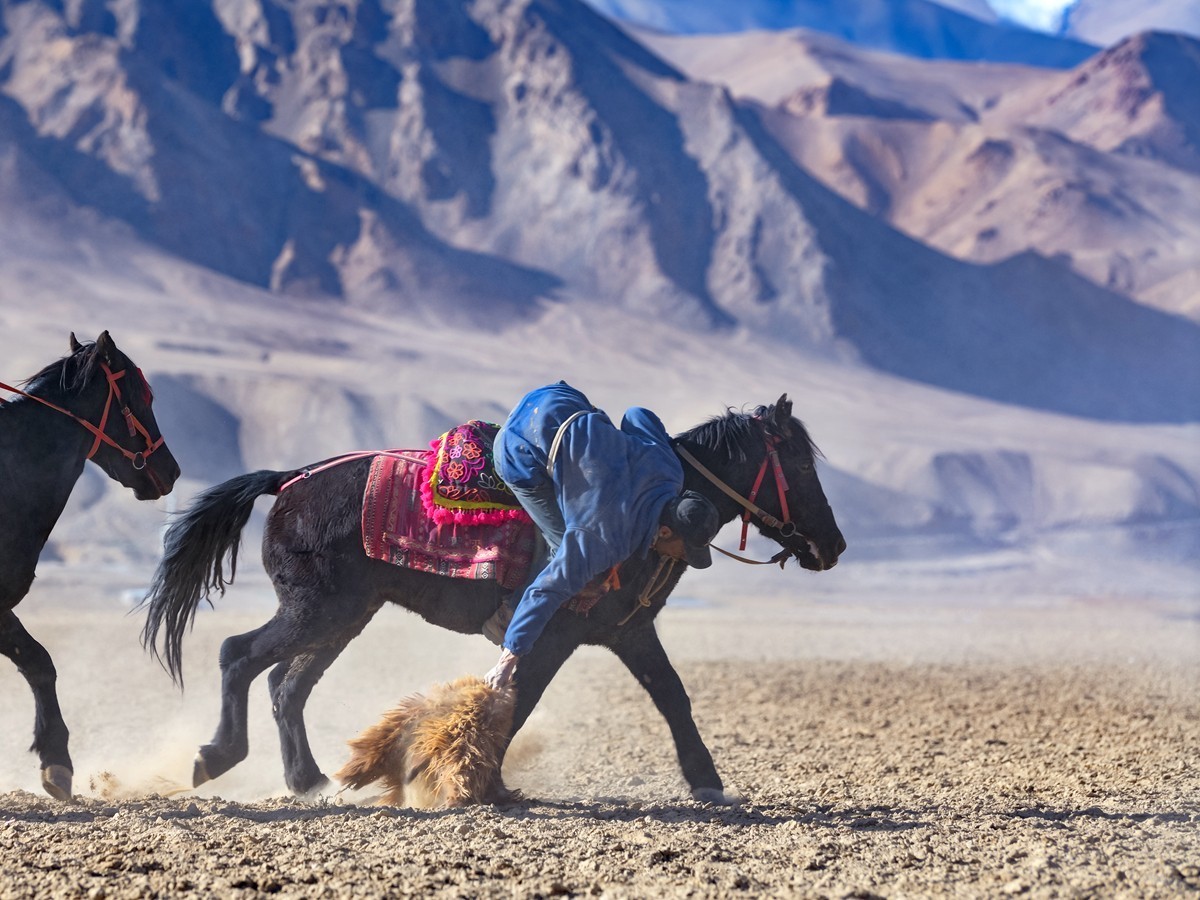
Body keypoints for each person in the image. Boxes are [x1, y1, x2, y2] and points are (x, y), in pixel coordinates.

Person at [483, 381, 720, 689]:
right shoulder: (605, 537)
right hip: (519, 444)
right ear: (664, 531)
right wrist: (507, 663)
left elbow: (637, 415)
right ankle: (507, 616)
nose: (682, 557)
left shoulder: (670, 471)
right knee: (561, 549)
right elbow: (548, 589)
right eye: (684, 550)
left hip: (556, 398)